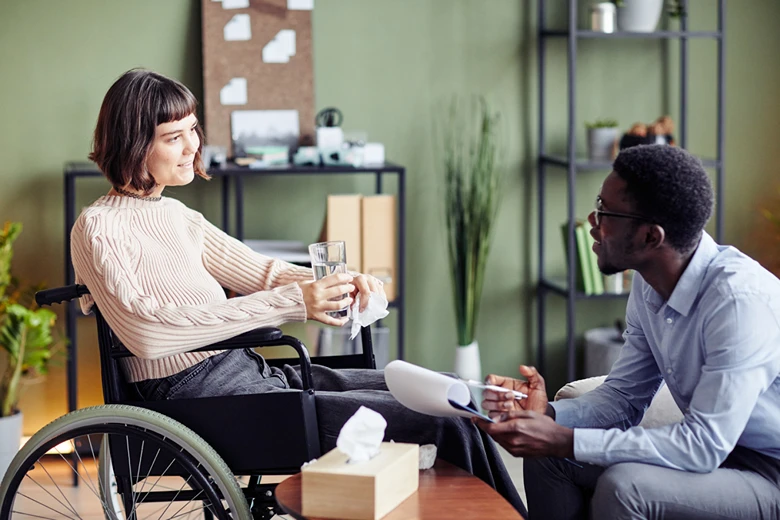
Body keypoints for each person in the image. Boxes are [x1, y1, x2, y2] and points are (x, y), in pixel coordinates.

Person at [70, 68, 527, 516]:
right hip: (196, 397)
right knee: (439, 426)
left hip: (247, 373)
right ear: (133, 144)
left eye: (193, 129)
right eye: (174, 137)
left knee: (449, 402)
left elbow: (264, 273)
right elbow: (147, 334)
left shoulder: (178, 216)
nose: (193, 146)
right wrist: (294, 303)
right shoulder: (98, 227)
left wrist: (340, 282)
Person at [477, 144, 780, 519]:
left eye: (605, 211)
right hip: (721, 454)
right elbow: (622, 399)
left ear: (651, 237)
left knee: (625, 488)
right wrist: (548, 416)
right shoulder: (648, 281)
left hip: (769, 471)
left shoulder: (737, 302)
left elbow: (703, 446)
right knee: (549, 458)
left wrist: (568, 440)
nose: (592, 219)